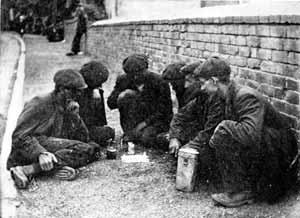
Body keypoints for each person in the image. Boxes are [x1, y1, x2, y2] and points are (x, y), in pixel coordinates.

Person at [194, 56, 298, 207]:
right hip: (268, 146)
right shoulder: (226, 96)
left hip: (280, 153)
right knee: (223, 134)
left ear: (214, 81)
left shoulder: (244, 96)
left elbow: (250, 134)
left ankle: (242, 192)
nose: (202, 88)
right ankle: (244, 187)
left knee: (225, 132)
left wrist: (224, 126)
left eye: (203, 83)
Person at [7, 69, 101, 189]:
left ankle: (36, 169)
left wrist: (74, 116)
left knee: (93, 148)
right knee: (85, 149)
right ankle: (27, 169)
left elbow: (84, 138)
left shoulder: (67, 104)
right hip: (29, 149)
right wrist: (40, 153)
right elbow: (19, 136)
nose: (79, 96)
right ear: (62, 89)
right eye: (76, 92)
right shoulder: (40, 103)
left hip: (50, 148)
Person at [168, 65, 225, 182]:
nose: (186, 86)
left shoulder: (218, 101)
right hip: (203, 136)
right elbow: (180, 117)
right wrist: (174, 137)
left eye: (190, 81)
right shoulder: (201, 98)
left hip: (214, 140)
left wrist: (187, 148)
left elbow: (209, 132)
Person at [107, 54, 173, 149]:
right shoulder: (123, 80)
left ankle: (140, 134)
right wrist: (121, 95)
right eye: (131, 75)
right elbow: (111, 103)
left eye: (139, 73)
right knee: (127, 96)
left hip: (154, 121)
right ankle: (131, 132)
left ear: (146, 69)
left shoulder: (159, 82)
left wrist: (144, 124)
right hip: (133, 120)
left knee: (146, 138)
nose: (135, 78)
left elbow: (164, 111)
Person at [78, 61, 115, 146]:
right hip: (80, 129)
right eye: (99, 83)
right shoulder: (79, 92)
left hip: (89, 127)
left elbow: (100, 120)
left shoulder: (96, 90)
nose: (100, 85)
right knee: (107, 133)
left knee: (107, 132)